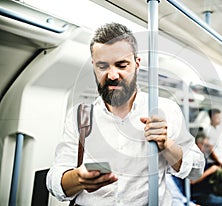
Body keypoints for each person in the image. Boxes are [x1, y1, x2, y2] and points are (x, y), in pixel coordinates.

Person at [46, 22, 205, 205]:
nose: (112, 75)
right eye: (102, 66)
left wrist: (166, 144)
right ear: (93, 65)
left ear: (137, 64)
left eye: (121, 65)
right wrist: (78, 178)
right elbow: (54, 181)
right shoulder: (80, 116)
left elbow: (196, 169)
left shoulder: (165, 110)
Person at [189, 131, 222, 206]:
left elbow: (216, 165)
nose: (207, 148)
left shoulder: (203, 157)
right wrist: (210, 171)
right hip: (198, 194)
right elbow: (191, 181)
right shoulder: (192, 159)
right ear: (199, 144)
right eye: (206, 146)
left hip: (208, 190)